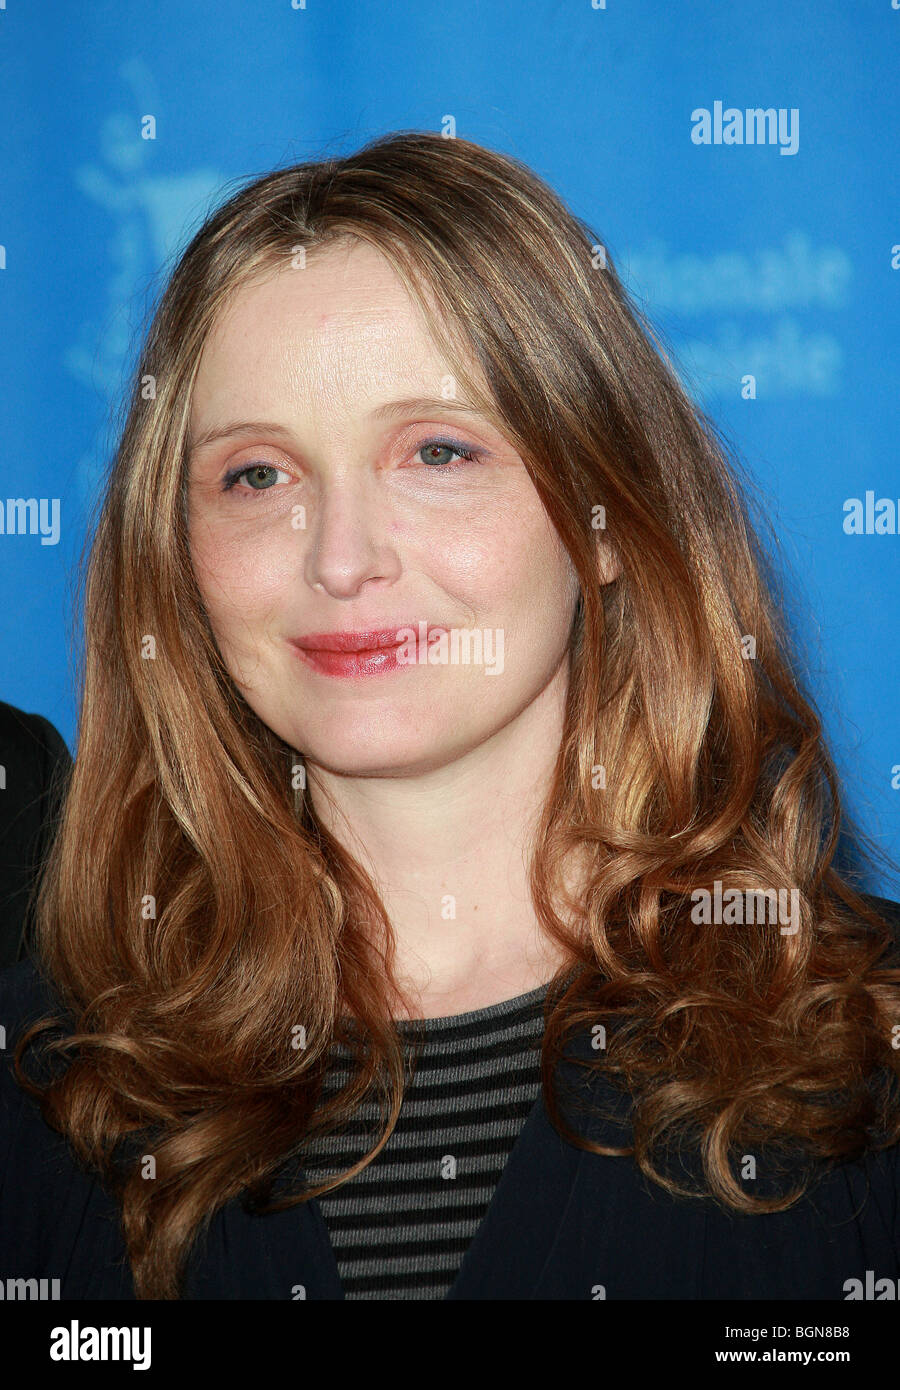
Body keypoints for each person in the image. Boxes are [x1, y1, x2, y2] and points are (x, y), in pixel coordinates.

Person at [1, 130, 899, 1302]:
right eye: (257, 475)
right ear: (174, 558)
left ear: (611, 515)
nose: (341, 558)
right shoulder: (51, 1083)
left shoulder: (866, 1048)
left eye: (436, 450)